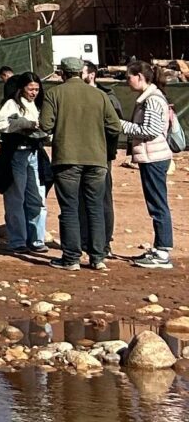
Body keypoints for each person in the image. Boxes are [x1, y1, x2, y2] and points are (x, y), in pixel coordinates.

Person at [40, 56, 117, 272]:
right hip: (97, 160)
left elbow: (45, 125)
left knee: (69, 208)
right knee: (95, 207)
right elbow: (114, 126)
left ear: (62, 73)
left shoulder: (54, 93)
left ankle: (71, 258)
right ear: (82, 73)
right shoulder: (99, 95)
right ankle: (98, 257)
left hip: (67, 159)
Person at [121, 58, 177, 271]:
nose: (127, 81)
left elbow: (150, 130)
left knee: (158, 204)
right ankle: (160, 248)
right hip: (152, 157)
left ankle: (162, 252)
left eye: (129, 77)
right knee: (156, 203)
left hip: (154, 158)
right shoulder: (150, 97)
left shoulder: (152, 100)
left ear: (139, 77)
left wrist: (121, 125)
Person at [0, 73, 48, 257]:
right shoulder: (12, 104)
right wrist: (24, 124)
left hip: (35, 153)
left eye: (36, 89)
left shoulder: (39, 105)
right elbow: (2, 124)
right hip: (17, 154)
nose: (34, 93)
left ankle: (37, 239)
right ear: (22, 88)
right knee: (16, 198)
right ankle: (17, 241)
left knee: (37, 197)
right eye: (30, 89)